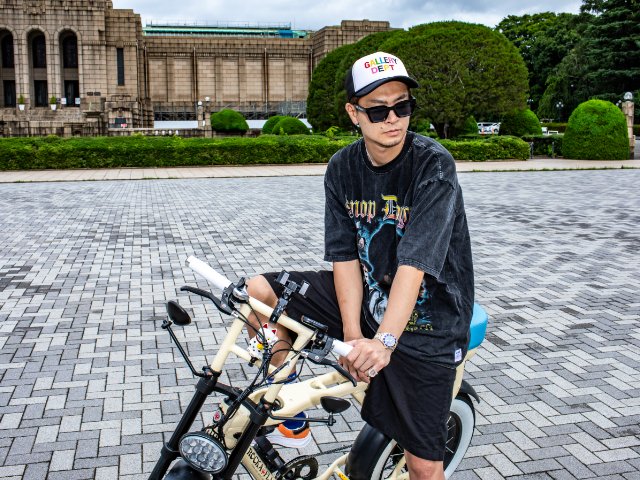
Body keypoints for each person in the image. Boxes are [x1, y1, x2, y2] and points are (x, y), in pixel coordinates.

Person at [246, 51, 474, 480]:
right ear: (354, 113)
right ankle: (287, 411)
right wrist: (352, 335)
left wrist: (383, 342)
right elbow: (345, 256)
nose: (394, 119)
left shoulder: (433, 164)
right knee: (257, 293)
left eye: (403, 106)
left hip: (429, 320)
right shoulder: (343, 167)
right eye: (379, 110)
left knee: (425, 466)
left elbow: (413, 265)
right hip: (369, 297)